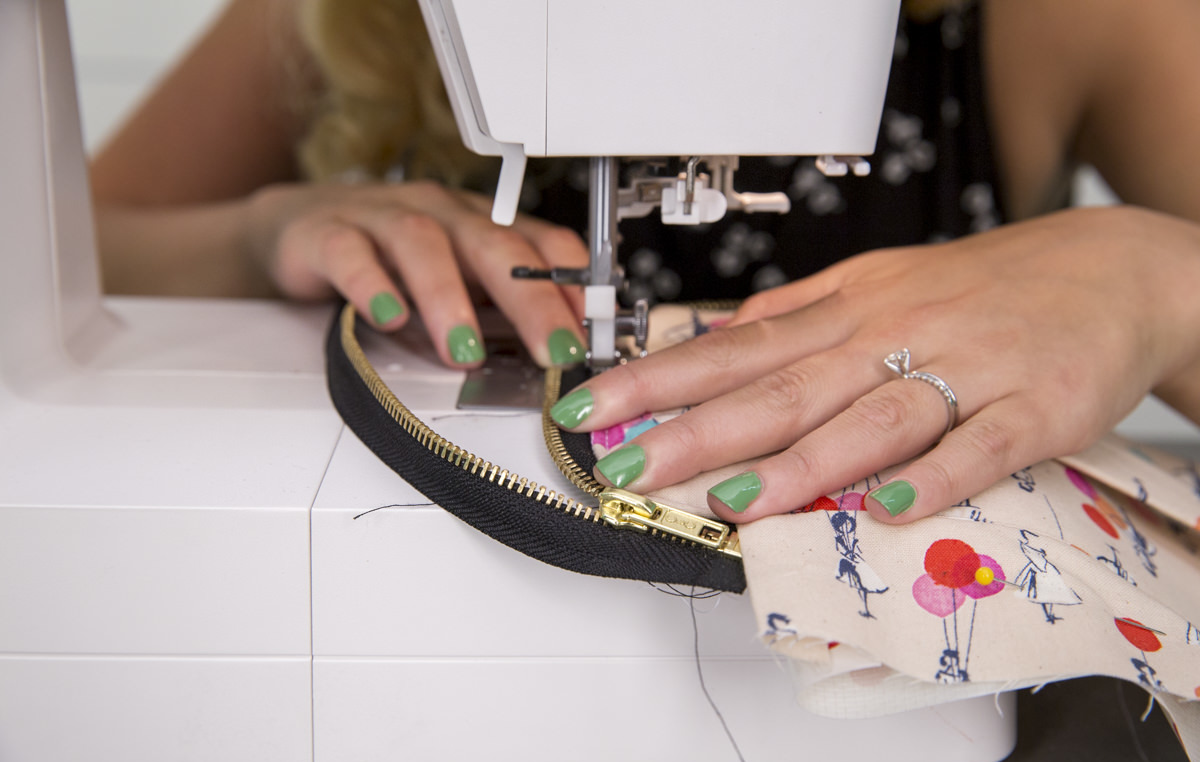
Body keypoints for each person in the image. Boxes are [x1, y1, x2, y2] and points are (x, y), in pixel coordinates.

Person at [91, 0, 1200, 529]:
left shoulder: (1074, 18)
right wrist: (256, 232)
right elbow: (74, 236)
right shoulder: (342, 17)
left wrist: (1157, 282)